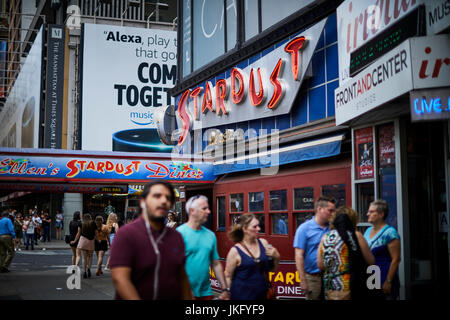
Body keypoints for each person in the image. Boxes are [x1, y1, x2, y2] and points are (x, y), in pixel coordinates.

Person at [109, 180, 192, 300]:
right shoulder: (126, 234)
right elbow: (120, 279)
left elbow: (182, 277)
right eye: (157, 196)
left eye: (168, 198)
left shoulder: (176, 236)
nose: (163, 201)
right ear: (143, 202)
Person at [177, 195, 229, 300]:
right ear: (192, 211)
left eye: (208, 208)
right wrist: (184, 289)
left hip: (206, 292)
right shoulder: (178, 234)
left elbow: (216, 263)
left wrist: (224, 289)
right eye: (204, 208)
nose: (209, 212)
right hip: (182, 293)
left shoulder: (210, 235)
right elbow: (172, 266)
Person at [317, 206, 375, 300]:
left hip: (330, 288)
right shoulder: (356, 235)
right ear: (352, 220)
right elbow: (371, 261)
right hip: (351, 287)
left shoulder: (325, 237)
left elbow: (321, 265)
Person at [225, 214, 280, 300]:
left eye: (258, 225)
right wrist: (226, 294)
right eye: (255, 227)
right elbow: (228, 276)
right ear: (245, 229)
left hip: (262, 295)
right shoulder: (235, 251)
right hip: (241, 296)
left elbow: (271, 269)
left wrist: (276, 256)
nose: (259, 229)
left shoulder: (264, 243)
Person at [293, 195, 336, 300]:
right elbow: (298, 256)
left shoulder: (333, 228)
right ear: (320, 209)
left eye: (333, 211)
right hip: (312, 278)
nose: (332, 214)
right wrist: (303, 281)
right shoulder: (304, 229)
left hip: (331, 277)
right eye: (330, 210)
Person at [364, 199, 401, 300]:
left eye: (371, 212)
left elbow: (396, 259)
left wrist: (388, 281)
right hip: (371, 279)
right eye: (368, 211)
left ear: (381, 214)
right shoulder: (367, 231)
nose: (367, 214)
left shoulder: (390, 233)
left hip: (384, 278)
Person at [71, 213, 96, 278]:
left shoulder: (81, 223)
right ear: (90, 217)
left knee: (84, 258)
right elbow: (95, 233)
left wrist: (74, 241)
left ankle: (84, 272)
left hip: (83, 241)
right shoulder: (93, 223)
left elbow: (78, 233)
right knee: (90, 257)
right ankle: (89, 269)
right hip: (91, 241)